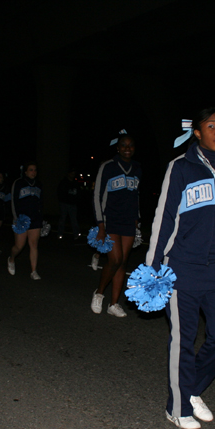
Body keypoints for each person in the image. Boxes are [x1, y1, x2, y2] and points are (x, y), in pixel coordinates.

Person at [145, 108, 215, 429]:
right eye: (211, 126)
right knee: (183, 338)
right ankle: (177, 407)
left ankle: (190, 389)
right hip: (182, 267)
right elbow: (164, 218)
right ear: (197, 132)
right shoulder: (180, 168)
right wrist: (153, 267)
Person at [91, 133, 141, 317]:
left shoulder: (137, 168)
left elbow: (136, 195)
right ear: (118, 148)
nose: (127, 148)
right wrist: (100, 224)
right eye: (123, 145)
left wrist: (137, 219)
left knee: (123, 263)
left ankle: (113, 304)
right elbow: (97, 196)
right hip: (110, 219)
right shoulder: (108, 166)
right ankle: (99, 293)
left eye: (131, 145)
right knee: (115, 259)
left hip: (128, 221)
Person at [8, 162, 43, 280]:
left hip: (35, 219)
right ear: (26, 172)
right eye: (31, 170)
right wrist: (16, 218)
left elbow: (41, 203)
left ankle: (34, 271)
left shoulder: (39, 184)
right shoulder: (18, 183)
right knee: (19, 246)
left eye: (35, 170)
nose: (33, 172)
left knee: (33, 244)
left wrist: (41, 217)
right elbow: (14, 201)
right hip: (22, 218)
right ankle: (11, 258)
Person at [56, 169, 81, 240]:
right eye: (71, 174)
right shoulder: (64, 182)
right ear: (68, 174)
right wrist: (62, 200)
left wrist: (76, 200)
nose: (72, 175)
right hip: (64, 204)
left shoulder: (75, 183)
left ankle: (76, 234)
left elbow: (78, 192)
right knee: (62, 219)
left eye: (74, 174)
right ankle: (60, 234)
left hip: (72, 204)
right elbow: (59, 192)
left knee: (74, 220)